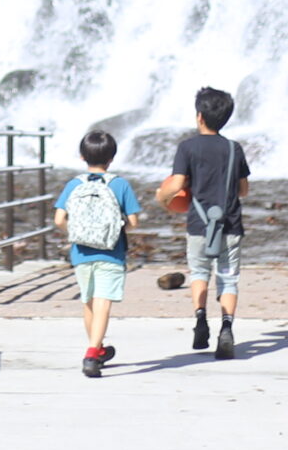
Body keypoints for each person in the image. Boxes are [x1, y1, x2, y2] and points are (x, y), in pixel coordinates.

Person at [159, 85, 249, 359]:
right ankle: (227, 327)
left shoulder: (187, 147)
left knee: (199, 272)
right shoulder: (235, 148)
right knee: (228, 278)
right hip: (230, 223)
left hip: (199, 223)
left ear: (199, 116)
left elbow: (176, 185)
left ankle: (200, 319)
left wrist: (161, 198)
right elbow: (243, 190)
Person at [54, 128, 141, 377]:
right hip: (111, 252)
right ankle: (92, 353)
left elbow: (59, 218)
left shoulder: (73, 185)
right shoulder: (120, 184)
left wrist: (77, 232)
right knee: (103, 302)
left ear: (82, 157)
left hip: (81, 252)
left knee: (89, 302)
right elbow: (134, 222)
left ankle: (98, 348)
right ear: (112, 158)